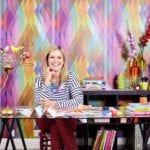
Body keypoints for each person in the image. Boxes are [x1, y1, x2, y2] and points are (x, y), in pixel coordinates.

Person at [34, 46, 83, 150]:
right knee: (56, 119)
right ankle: (71, 148)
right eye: (52, 57)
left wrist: (54, 104)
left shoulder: (71, 77)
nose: (55, 60)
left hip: (66, 119)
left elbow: (79, 101)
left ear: (64, 61)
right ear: (47, 60)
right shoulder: (39, 78)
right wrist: (47, 80)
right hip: (45, 120)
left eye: (59, 57)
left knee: (56, 126)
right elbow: (39, 103)